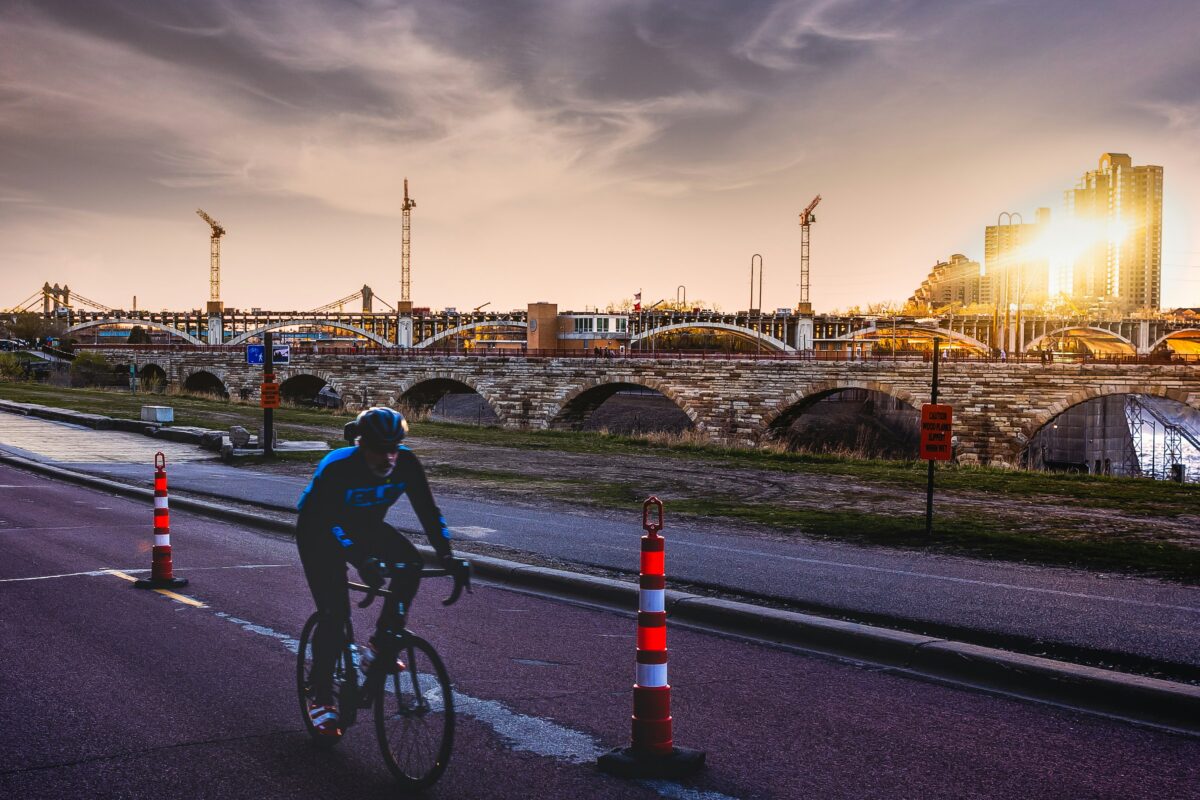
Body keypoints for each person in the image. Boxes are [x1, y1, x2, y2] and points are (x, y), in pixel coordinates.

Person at [295, 406, 459, 737]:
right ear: (361, 445)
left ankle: (379, 647)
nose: (388, 458)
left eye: (394, 448)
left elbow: (428, 511)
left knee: (410, 564)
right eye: (379, 450)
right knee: (334, 614)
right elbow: (326, 522)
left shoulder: (407, 463)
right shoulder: (338, 467)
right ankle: (322, 696)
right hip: (319, 533)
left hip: (367, 527)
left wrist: (448, 555)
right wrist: (360, 561)